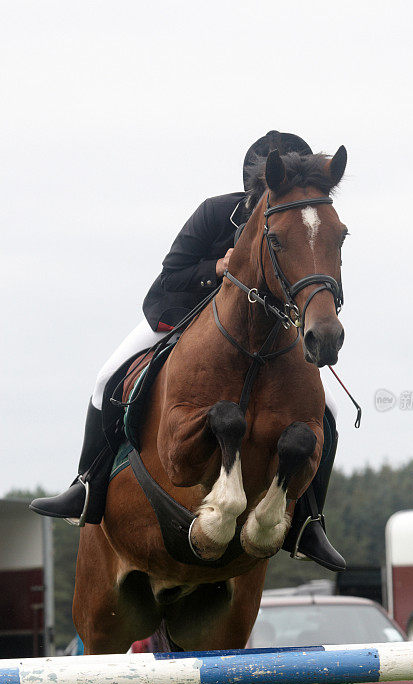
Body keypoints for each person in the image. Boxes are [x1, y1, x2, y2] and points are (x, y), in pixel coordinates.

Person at [30, 131, 345, 572]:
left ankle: (308, 521)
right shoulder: (217, 211)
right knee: (107, 377)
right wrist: (219, 266)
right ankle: (87, 485)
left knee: (325, 411)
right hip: (178, 312)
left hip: (267, 334)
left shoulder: (295, 218)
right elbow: (174, 271)